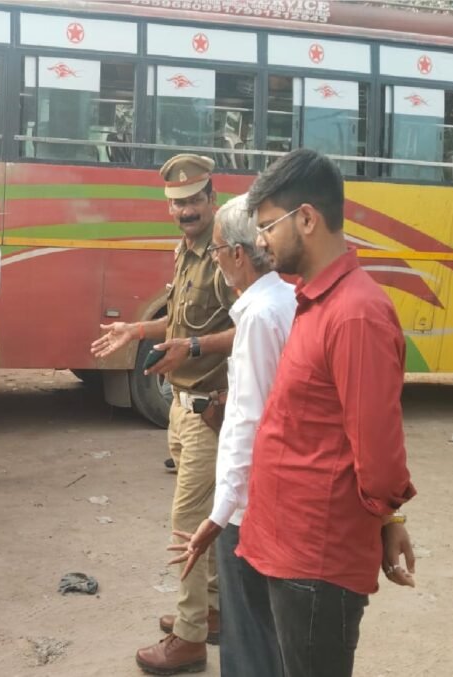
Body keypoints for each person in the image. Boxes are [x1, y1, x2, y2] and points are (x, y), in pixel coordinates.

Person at [234, 149, 416, 677]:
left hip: (316, 562)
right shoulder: (316, 300)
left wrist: (390, 516)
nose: (261, 242)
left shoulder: (356, 314)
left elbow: (378, 455)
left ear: (308, 219)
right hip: (288, 545)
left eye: (268, 226)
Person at [91, 155, 236, 675]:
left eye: (194, 201)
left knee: (186, 524)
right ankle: (210, 610)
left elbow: (252, 326)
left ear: (212, 200)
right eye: (177, 204)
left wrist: (194, 347)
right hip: (181, 406)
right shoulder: (186, 252)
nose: (185, 211)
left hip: (209, 411)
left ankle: (190, 637)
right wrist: (135, 330)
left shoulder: (224, 257)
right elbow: (177, 320)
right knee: (204, 518)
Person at [167, 195, 296, 676]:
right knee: (262, 627)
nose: (216, 258)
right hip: (270, 493)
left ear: (238, 254)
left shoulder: (260, 316)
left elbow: (248, 422)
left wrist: (220, 516)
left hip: (249, 503)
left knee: (247, 637)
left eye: (219, 250)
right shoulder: (282, 300)